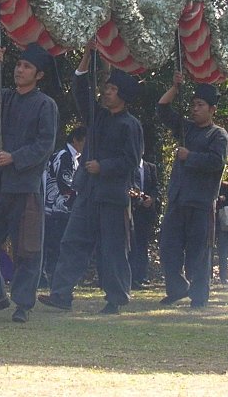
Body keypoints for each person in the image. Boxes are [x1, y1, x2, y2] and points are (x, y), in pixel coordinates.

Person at [38, 48, 143, 315]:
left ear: (123, 95)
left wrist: (102, 166)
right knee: (72, 242)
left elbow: (131, 160)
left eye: (112, 89)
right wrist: (86, 56)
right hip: (87, 192)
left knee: (112, 250)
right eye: (106, 88)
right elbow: (80, 91)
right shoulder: (97, 117)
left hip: (112, 196)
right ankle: (61, 294)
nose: (106, 92)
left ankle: (116, 299)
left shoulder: (130, 125)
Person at [0, 44, 58, 323]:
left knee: (27, 248)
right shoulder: (5, 98)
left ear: (39, 75)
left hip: (26, 188)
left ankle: (23, 304)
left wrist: (14, 157)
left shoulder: (46, 105)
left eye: (27, 67)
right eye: (18, 65)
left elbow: (45, 145)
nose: (20, 70)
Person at [155, 74, 228, 309]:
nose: (195, 109)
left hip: (201, 201)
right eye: (193, 105)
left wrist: (190, 157)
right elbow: (162, 110)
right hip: (178, 198)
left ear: (212, 109)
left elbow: (216, 162)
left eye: (200, 105)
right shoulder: (186, 129)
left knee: (199, 252)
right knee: (169, 246)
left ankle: (199, 296)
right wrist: (175, 88)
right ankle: (177, 288)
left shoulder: (218, 135)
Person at [42, 125, 86, 286]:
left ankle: (55, 278)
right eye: (85, 141)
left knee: (58, 245)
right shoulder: (64, 155)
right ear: (76, 140)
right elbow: (65, 183)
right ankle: (53, 279)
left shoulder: (74, 158)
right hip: (56, 209)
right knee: (55, 245)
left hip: (63, 210)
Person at [130, 150, 160, 289]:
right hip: (132, 210)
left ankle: (142, 275)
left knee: (143, 244)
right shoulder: (129, 168)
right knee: (132, 244)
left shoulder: (150, 167)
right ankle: (132, 276)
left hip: (146, 212)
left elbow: (155, 187)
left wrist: (151, 199)